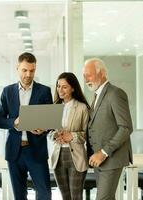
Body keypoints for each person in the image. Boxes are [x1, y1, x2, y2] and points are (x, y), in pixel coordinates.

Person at [0, 52, 52, 200]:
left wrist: (43, 128)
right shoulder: (7, 91)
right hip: (15, 152)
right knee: (19, 196)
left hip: (37, 150)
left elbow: (51, 121)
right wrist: (14, 122)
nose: (28, 74)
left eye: (32, 71)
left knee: (45, 193)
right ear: (17, 68)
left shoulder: (44, 91)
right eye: (24, 70)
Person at [82, 58, 133, 200]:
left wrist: (103, 152)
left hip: (110, 158)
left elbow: (126, 127)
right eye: (84, 75)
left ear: (102, 73)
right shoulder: (97, 95)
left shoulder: (115, 93)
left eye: (89, 74)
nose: (86, 79)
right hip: (99, 160)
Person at [49, 72, 89, 200]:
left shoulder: (82, 108)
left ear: (73, 88)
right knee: (65, 197)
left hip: (76, 157)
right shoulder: (53, 107)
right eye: (58, 86)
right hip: (58, 156)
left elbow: (88, 134)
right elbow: (48, 132)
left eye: (64, 87)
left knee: (76, 197)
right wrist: (54, 135)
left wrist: (71, 136)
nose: (60, 90)